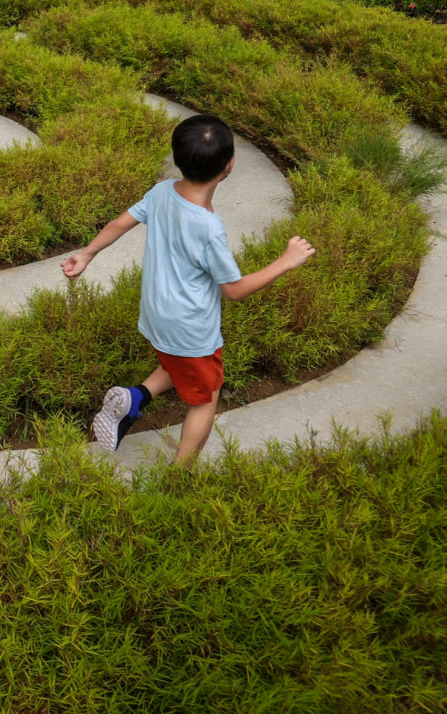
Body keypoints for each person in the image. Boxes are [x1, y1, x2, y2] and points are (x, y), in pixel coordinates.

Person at [61, 114, 316, 466]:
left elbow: (120, 222)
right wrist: (286, 260)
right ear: (229, 166)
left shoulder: (162, 191)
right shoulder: (208, 228)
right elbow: (234, 289)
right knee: (205, 397)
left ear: (177, 158)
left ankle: (135, 399)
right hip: (191, 328)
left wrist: (86, 254)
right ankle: (181, 476)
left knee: (175, 360)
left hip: (155, 315)